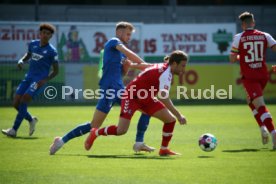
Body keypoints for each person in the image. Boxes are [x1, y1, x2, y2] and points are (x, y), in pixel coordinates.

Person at [49, 22, 154, 155]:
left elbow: (122, 73)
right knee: (145, 108)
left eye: (130, 35)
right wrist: (141, 63)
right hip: (111, 88)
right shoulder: (113, 41)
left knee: (144, 109)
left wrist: (131, 68)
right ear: (119, 32)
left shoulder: (120, 54)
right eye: (127, 34)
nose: (129, 37)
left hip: (115, 89)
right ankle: (138, 142)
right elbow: (132, 56)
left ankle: (61, 140)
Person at [85, 50, 188, 156]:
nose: (184, 70)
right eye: (183, 66)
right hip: (131, 97)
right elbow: (163, 97)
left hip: (146, 98)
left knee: (170, 120)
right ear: (174, 64)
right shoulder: (166, 74)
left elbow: (147, 66)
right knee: (121, 130)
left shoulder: (165, 67)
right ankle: (95, 132)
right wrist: (179, 115)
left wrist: (132, 65)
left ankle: (164, 149)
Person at [2, 23, 59, 137]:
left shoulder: (52, 51)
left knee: (24, 100)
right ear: (40, 33)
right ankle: (31, 120)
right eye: (43, 32)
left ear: (51, 36)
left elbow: (56, 71)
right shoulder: (33, 44)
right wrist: (22, 60)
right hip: (28, 78)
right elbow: (28, 55)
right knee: (15, 103)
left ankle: (13, 130)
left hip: (38, 81)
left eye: (48, 34)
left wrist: (45, 80)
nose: (45, 35)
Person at [229, 11, 276, 150]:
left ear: (243, 25)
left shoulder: (239, 37)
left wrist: (239, 57)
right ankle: (262, 127)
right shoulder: (265, 35)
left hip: (250, 77)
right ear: (253, 23)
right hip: (263, 75)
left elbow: (232, 59)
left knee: (260, 104)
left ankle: (273, 132)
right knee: (250, 101)